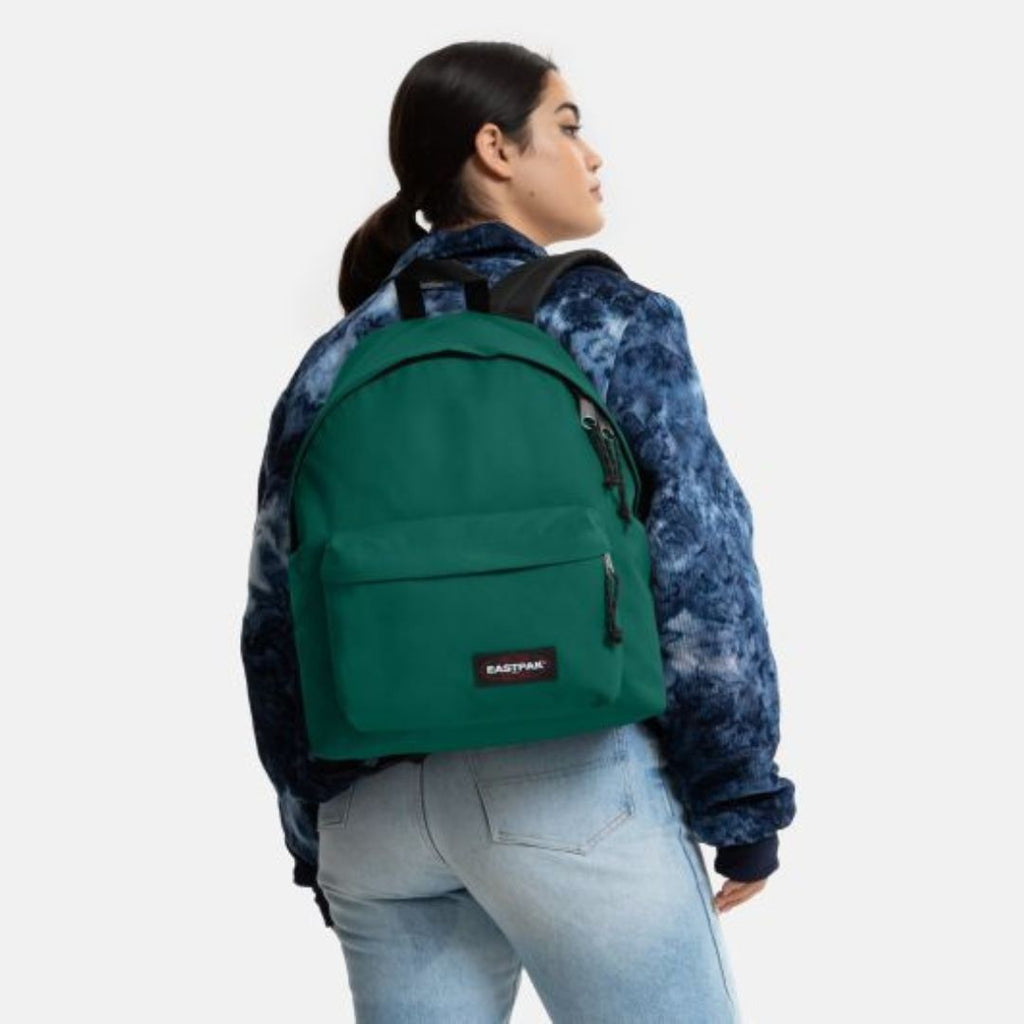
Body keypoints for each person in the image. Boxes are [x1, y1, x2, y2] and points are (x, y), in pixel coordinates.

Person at [241, 39, 797, 1023]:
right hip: (571, 784)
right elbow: (700, 559)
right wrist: (740, 795)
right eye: (568, 127)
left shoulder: (334, 355)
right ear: (495, 148)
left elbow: (275, 618)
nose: (592, 155)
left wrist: (315, 833)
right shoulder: (606, 318)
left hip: (374, 820)